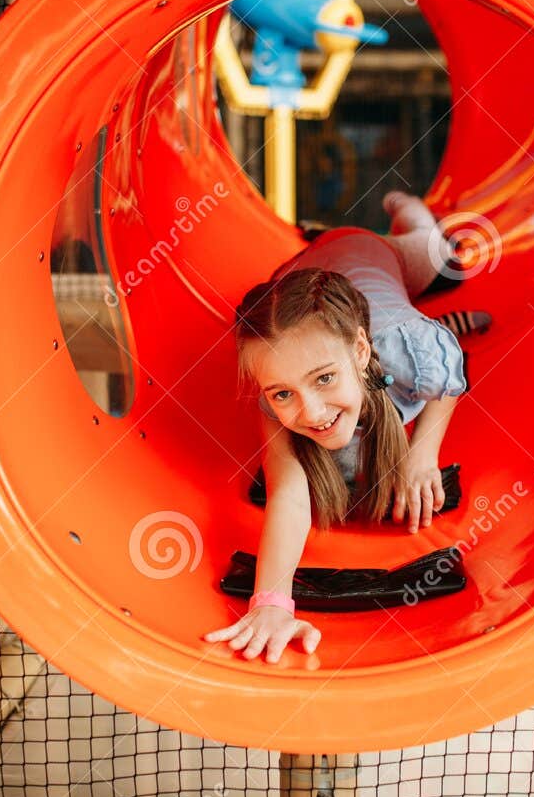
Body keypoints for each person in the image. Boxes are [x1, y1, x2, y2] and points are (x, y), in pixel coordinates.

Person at [204, 192, 482, 663]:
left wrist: (421, 455)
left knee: (448, 263)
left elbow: (448, 375)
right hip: (297, 274)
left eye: (325, 379)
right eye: (284, 393)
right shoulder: (273, 381)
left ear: (358, 351)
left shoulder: (406, 348)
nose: (311, 414)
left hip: (368, 251)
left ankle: (408, 209)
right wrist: (271, 605)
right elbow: (287, 491)